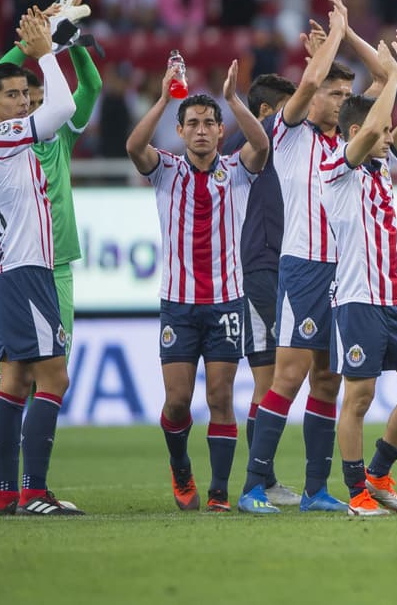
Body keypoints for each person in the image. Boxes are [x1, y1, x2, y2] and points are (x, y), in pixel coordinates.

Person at [237, 0, 386, 515]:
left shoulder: (346, 143)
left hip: (343, 275)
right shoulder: (292, 133)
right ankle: (253, 486)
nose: (344, 101)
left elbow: (386, 84)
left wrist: (349, 43)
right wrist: (334, 38)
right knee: (289, 375)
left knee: (327, 378)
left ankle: (316, 489)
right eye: (336, 92)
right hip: (301, 267)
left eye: (348, 94)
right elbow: (303, 88)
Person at [0, 0, 101, 513]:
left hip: (13, 270)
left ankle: (5, 495)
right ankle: (36, 492)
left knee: (15, 379)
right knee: (54, 376)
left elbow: (56, 103)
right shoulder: (2, 136)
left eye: (26, 95)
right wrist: (44, 48)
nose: (23, 101)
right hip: (27, 270)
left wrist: (46, 27)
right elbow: (62, 104)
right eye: (14, 95)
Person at [126, 54, 270, 513]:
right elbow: (134, 147)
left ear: (220, 131)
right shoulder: (166, 170)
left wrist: (233, 98)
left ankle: (218, 492)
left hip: (227, 303)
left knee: (221, 398)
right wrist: (164, 99)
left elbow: (262, 145)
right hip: (179, 305)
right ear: (181, 130)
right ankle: (181, 467)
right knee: (176, 402)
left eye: (211, 122)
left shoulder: (238, 172)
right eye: (194, 122)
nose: (204, 129)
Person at [326, 27, 397, 517]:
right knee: (360, 396)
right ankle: (356, 493)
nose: (391, 136)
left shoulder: (381, 162)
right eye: (381, 130)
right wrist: (387, 75)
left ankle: (379, 473)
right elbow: (374, 128)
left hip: (392, 300)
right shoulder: (338, 167)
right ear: (356, 134)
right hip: (356, 299)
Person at [220, 73, 299, 507]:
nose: (297, 119)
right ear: (267, 113)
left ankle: (263, 478)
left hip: (281, 268)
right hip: (258, 270)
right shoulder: (255, 145)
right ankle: (260, 481)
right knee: (267, 378)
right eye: (289, 110)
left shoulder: (286, 151)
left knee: (274, 377)